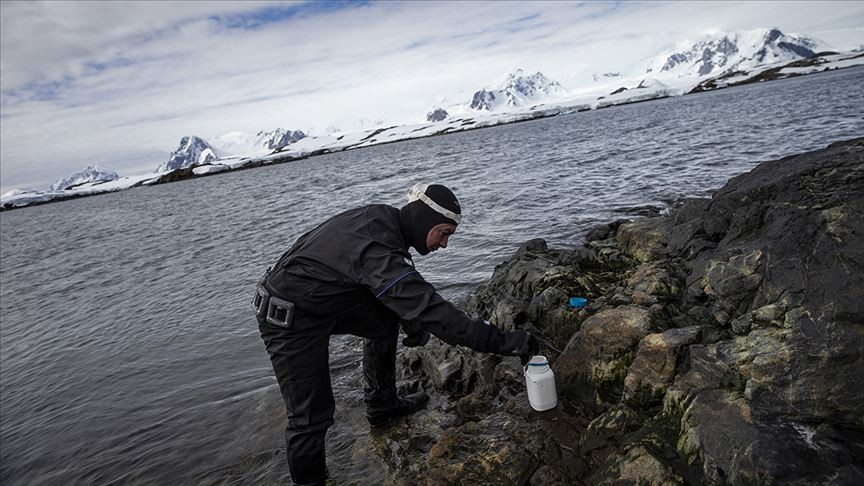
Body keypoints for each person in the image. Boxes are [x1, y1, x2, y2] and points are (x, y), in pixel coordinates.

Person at [253, 182, 538, 486]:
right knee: (310, 417)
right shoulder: (378, 245)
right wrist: (504, 342)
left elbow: (394, 291)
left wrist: (408, 318)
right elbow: (432, 311)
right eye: (444, 233)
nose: (444, 245)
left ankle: (382, 406)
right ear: (425, 220)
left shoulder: (385, 221)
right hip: (290, 317)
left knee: (383, 321)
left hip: (321, 298)